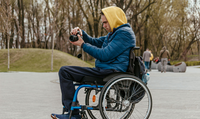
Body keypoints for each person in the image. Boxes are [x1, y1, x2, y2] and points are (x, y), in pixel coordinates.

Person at [51, 6, 136, 119]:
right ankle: (72, 112)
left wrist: (82, 45)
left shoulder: (124, 34)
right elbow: (94, 42)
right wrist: (82, 34)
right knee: (65, 71)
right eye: (103, 23)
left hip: (110, 72)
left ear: (114, 19)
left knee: (64, 71)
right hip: (106, 70)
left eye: (106, 22)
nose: (104, 25)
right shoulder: (114, 33)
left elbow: (104, 55)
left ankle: (74, 115)